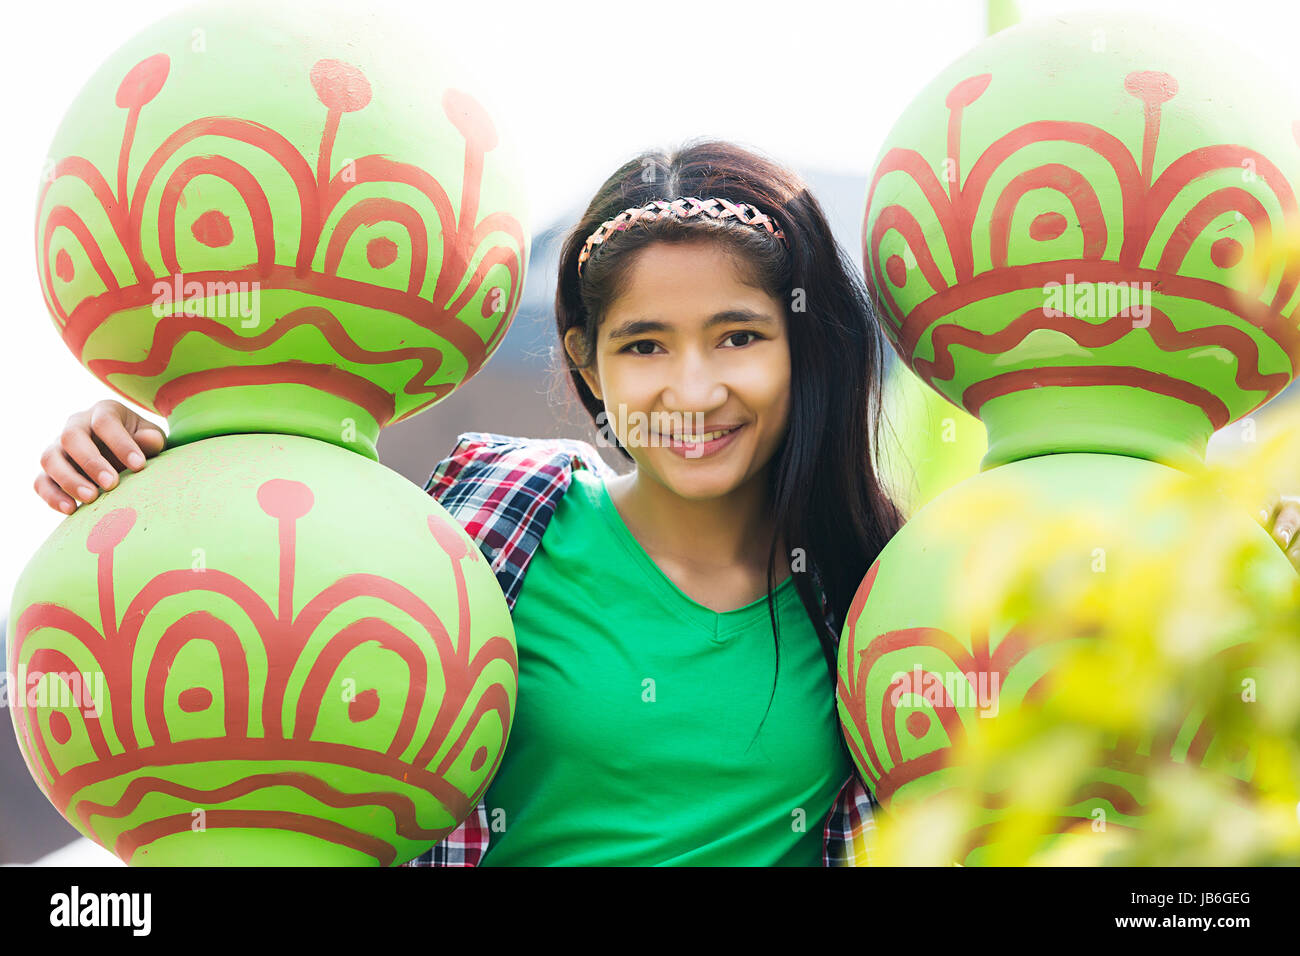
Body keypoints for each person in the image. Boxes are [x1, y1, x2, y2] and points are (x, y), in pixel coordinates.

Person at [31, 139, 1300, 866]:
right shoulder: (476, 534)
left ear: (807, 347)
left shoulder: (894, 588)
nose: (691, 387)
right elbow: (266, 569)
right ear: (583, 362)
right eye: (643, 344)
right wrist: (153, 455)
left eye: (738, 334)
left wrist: (1243, 569)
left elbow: (1106, 766)